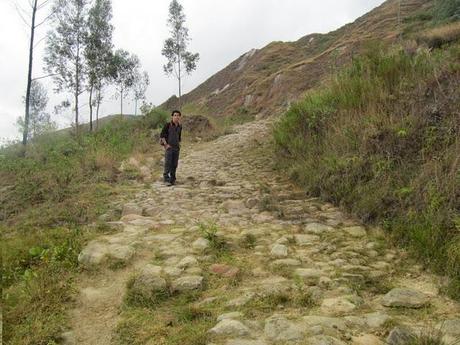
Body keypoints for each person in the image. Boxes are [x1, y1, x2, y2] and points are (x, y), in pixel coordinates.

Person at [160, 110, 182, 185]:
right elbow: (162, 135)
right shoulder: (168, 125)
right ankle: (166, 179)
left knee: (174, 164)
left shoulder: (179, 126)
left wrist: (179, 145)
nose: (176, 117)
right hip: (169, 148)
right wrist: (166, 145)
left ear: (180, 117)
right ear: (172, 116)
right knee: (168, 163)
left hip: (176, 148)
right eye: (175, 115)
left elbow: (179, 137)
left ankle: (172, 179)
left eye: (178, 115)